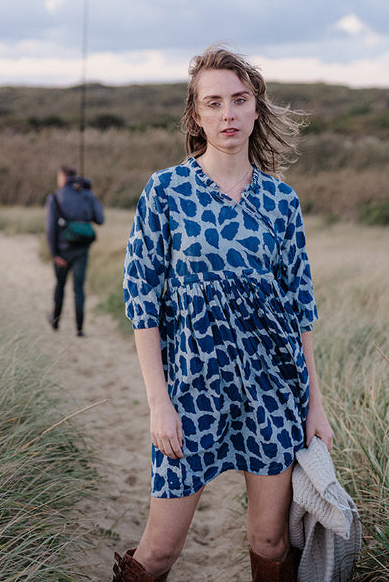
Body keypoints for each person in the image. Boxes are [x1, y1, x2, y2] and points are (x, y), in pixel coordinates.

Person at [117, 45, 333, 582]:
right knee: (160, 550)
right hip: (190, 390)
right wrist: (158, 403)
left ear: (257, 108)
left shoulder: (282, 201)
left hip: (271, 389)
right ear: (195, 114)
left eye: (239, 100)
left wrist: (315, 405)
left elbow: (299, 310)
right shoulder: (165, 192)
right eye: (213, 103)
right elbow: (143, 305)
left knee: (270, 539)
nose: (228, 114)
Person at [45, 164, 105, 337]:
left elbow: (50, 228)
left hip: (62, 251)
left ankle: (55, 323)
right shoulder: (87, 194)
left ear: (63, 177)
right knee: (79, 288)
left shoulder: (55, 197)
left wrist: (54, 253)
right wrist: (89, 194)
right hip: (82, 250)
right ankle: (80, 329)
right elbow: (100, 219)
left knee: (60, 286)